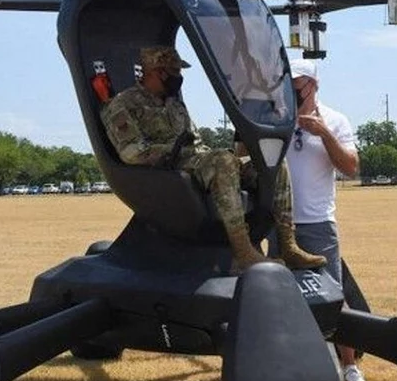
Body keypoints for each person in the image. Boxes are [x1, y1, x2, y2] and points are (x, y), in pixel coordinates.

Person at [100, 46, 326, 271]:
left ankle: (288, 245)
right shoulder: (123, 104)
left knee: (272, 162)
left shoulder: (174, 104)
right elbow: (131, 152)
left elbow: (197, 143)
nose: (178, 77)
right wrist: (173, 149)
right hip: (168, 172)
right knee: (221, 161)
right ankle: (243, 252)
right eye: (172, 72)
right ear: (153, 72)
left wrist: (219, 155)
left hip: (197, 163)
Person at [273, 58, 367, 381]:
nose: (293, 89)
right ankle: (290, 362)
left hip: (318, 223)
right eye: (289, 82)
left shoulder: (336, 120)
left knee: (333, 295)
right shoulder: (275, 118)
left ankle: (350, 365)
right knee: (280, 298)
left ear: (313, 85)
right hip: (280, 224)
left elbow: (350, 167)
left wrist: (323, 133)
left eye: (298, 84)